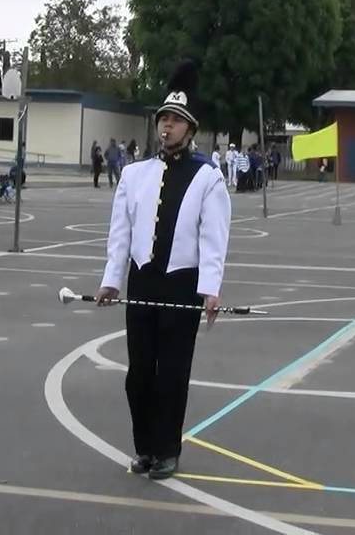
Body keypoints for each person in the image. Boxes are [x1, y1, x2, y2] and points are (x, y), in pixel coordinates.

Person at [95, 59, 231, 481]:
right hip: (142, 281)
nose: (166, 127)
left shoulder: (208, 176)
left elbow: (214, 237)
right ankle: (145, 449)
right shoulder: (134, 175)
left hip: (182, 285)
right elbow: (120, 234)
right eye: (163, 120)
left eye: (175, 121)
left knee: (172, 374)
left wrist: (211, 288)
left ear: (190, 129)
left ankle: (167, 449)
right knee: (138, 376)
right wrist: (110, 280)